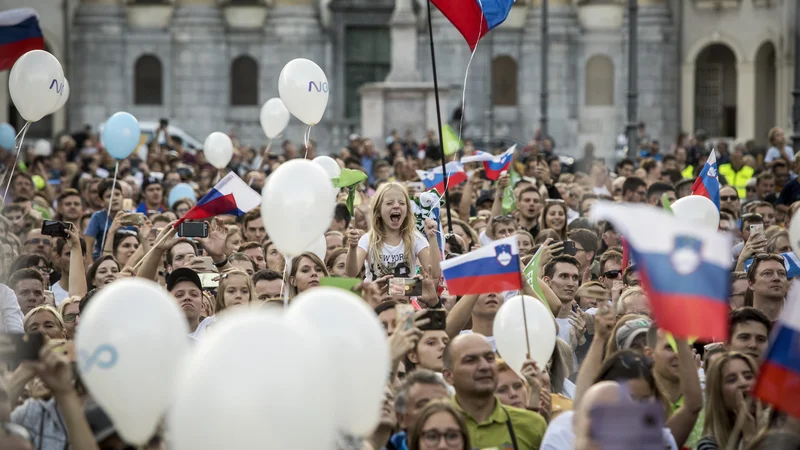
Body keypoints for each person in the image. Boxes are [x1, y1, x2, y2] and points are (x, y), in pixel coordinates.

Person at [442, 334, 547, 449]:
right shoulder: (433, 425)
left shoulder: (532, 424)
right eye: (470, 360)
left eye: (490, 358)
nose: (484, 366)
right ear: (448, 376)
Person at [345, 182, 439, 282]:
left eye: (402, 203)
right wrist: (352, 248)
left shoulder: (415, 238)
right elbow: (351, 273)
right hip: (376, 296)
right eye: (389, 203)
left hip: (405, 296)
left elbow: (435, 273)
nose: (396, 206)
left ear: (407, 211)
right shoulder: (368, 239)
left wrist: (432, 238)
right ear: (378, 211)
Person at [698, 352, 764, 450]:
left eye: (748, 376)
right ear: (719, 393)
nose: (743, 383)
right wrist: (749, 438)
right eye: (732, 380)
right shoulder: (708, 445)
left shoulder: (779, 432)